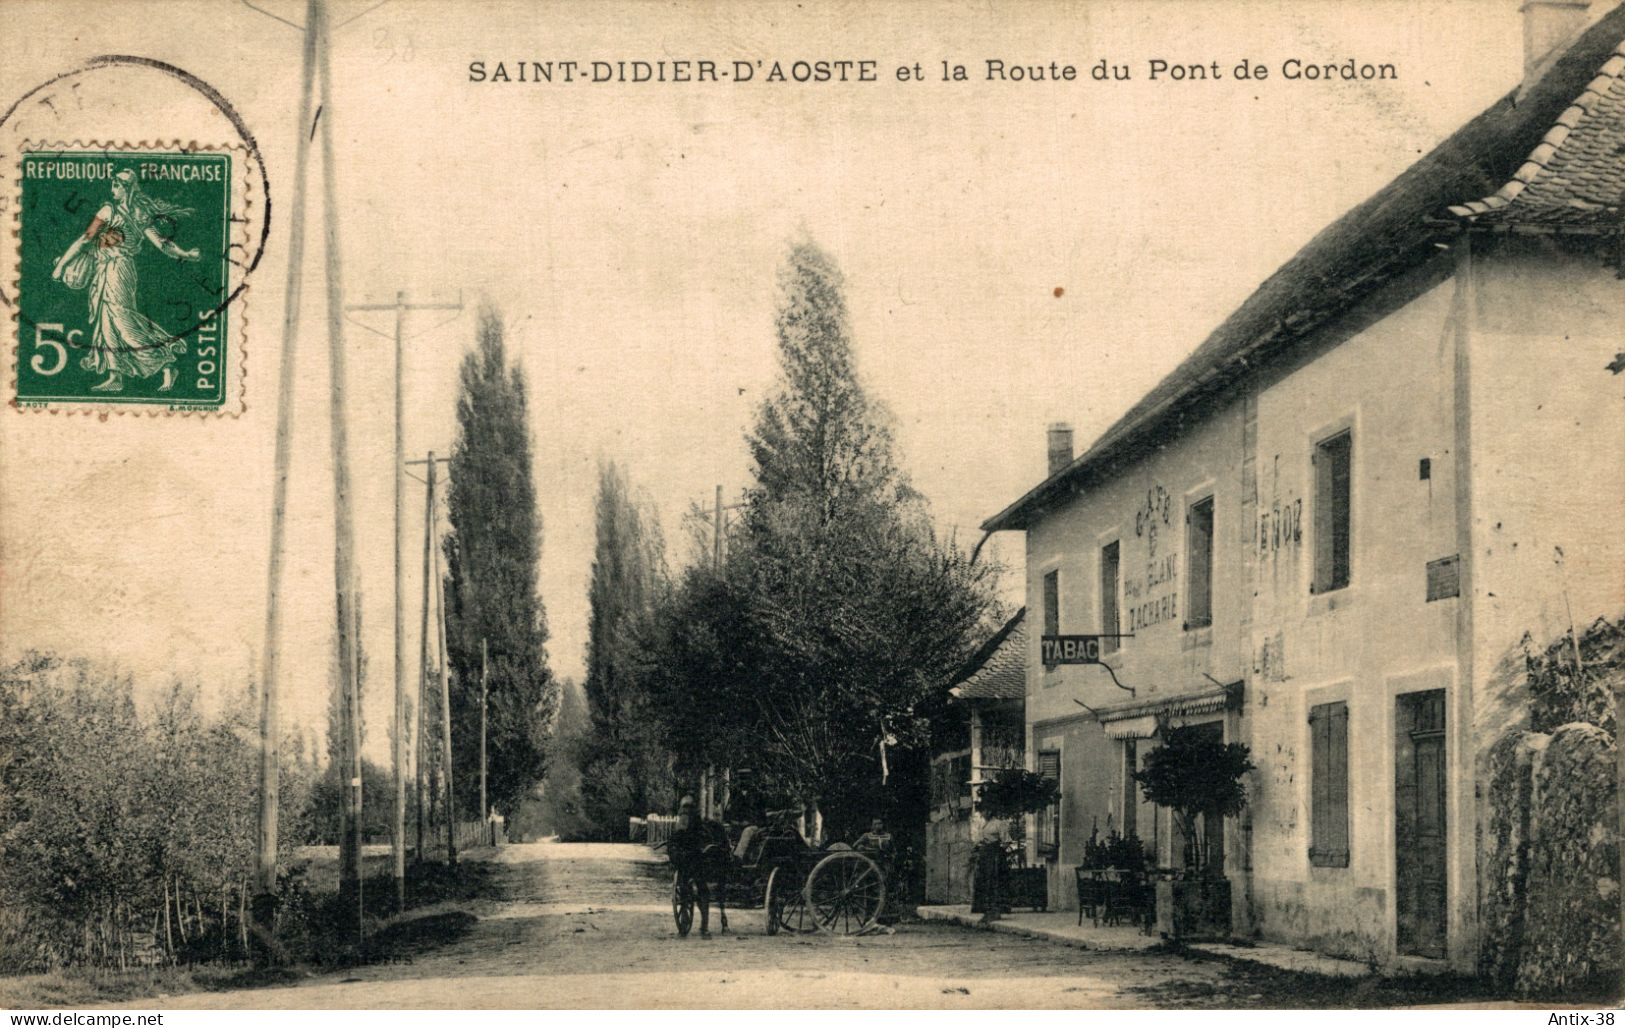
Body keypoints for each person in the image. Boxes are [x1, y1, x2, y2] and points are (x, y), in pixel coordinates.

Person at [51, 169, 200, 393]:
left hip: (120, 271)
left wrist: (186, 254)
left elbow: (162, 243)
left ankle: (165, 362)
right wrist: (62, 263)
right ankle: (115, 376)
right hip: (103, 270)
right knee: (106, 323)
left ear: (128, 188)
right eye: (113, 183)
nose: (113, 188)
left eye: (117, 184)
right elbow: (86, 239)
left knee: (123, 321)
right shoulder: (107, 210)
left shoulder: (137, 214)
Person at [667, 796, 729, 937]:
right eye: (684, 810)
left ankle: (703, 925)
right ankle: (691, 923)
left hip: (697, 861)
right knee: (689, 889)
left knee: (701, 889)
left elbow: (700, 845)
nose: (684, 814)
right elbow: (674, 844)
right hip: (688, 861)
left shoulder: (696, 827)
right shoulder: (686, 825)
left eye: (687, 810)